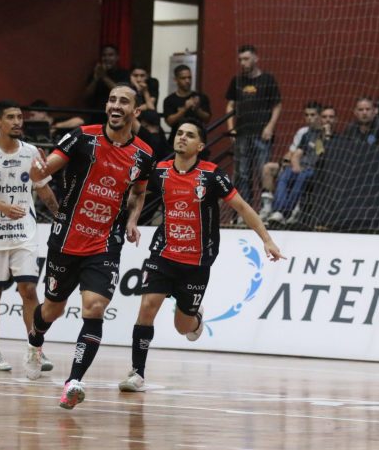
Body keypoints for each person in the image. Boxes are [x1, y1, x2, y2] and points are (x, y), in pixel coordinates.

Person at [117, 118, 284, 392]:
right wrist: (133, 220)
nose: (182, 137)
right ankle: (137, 373)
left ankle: (195, 316)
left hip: (196, 261)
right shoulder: (160, 171)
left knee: (183, 327)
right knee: (147, 308)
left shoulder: (211, 175)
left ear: (200, 145)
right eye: (179, 133)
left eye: (189, 135)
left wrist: (267, 240)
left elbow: (242, 208)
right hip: (164, 253)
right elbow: (139, 193)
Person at [27, 84, 155, 409]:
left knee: (95, 308)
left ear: (135, 112)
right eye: (112, 99)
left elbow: (139, 192)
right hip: (66, 240)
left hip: (104, 243)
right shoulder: (82, 137)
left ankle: (74, 382)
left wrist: (131, 219)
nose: (115, 105)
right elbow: (46, 171)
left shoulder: (143, 154)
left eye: (123, 101)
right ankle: (35, 339)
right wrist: (39, 173)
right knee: (52, 309)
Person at [0, 100, 60, 372]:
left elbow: (43, 190)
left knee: (30, 289)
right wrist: (3, 208)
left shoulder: (31, 152)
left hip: (24, 232)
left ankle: (36, 349)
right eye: (11, 117)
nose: (18, 122)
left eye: (20, 117)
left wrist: (60, 217)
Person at [225, 44, 283, 219]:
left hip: (262, 134)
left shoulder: (267, 79)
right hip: (242, 133)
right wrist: (231, 129)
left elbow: (277, 105)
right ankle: (244, 212)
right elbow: (230, 105)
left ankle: (266, 209)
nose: (243, 62)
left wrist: (270, 126)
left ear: (256, 58)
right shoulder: (237, 81)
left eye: (247, 58)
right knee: (242, 174)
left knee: (262, 171)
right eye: (241, 59)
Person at [259, 101, 323, 219]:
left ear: (319, 116)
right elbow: (295, 152)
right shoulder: (304, 133)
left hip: (311, 169)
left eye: (312, 115)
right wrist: (289, 163)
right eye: (307, 115)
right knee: (277, 171)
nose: (309, 118)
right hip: (298, 165)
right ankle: (271, 209)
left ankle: (287, 211)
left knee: (300, 176)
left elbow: (320, 155)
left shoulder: (324, 134)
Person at [162, 64, 211, 146]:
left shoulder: (201, 97)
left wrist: (197, 108)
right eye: (183, 78)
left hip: (197, 141)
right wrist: (185, 108)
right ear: (176, 80)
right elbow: (170, 121)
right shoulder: (169, 100)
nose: (187, 81)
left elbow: (207, 118)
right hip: (177, 140)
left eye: (189, 77)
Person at [84, 44, 130, 124]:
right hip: (96, 115)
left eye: (111, 55)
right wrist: (96, 78)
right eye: (104, 55)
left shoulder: (124, 74)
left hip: (116, 114)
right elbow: (87, 95)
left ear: (117, 57)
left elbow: (121, 92)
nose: (107, 58)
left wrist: (104, 77)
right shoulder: (96, 73)